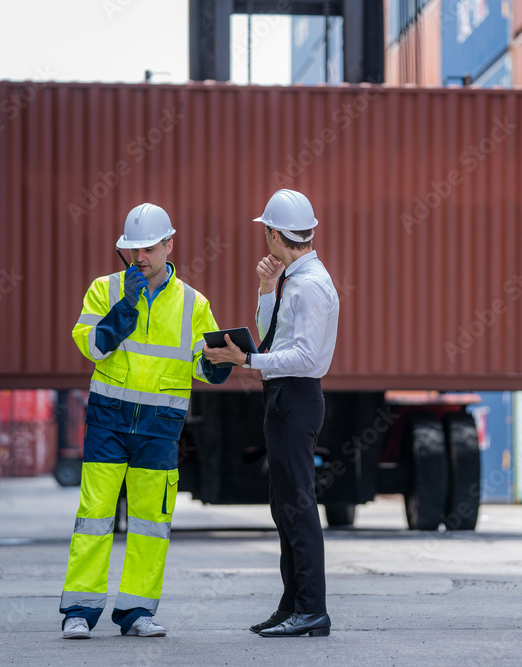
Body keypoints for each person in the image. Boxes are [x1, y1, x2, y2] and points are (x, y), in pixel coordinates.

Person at [60, 203, 231, 639]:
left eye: (149, 248)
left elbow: (204, 366)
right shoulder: (104, 290)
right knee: (94, 517)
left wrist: (221, 362)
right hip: (108, 422)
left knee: (150, 525)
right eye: (132, 249)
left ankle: (136, 612)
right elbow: (93, 347)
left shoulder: (194, 303)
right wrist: (127, 305)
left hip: (159, 426)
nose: (140, 257)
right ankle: (79, 609)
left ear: (169, 245)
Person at [204, 189, 339, 638]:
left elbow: (300, 357)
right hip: (284, 398)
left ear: (274, 235)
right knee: (284, 507)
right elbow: (272, 337)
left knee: (298, 506)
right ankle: (292, 604)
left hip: (296, 398)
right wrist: (265, 289)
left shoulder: (311, 285)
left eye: (266, 231)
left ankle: (312, 608)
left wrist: (245, 361)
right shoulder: (292, 279)